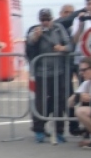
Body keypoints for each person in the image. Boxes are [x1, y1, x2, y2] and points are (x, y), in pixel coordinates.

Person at [25, 8, 72, 142]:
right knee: (40, 103)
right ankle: (39, 130)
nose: (45, 22)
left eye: (48, 19)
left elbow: (70, 45)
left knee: (59, 102)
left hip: (59, 72)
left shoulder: (58, 28)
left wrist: (62, 48)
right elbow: (29, 45)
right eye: (43, 20)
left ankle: (59, 132)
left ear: (52, 18)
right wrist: (35, 38)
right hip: (41, 73)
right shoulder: (35, 30)